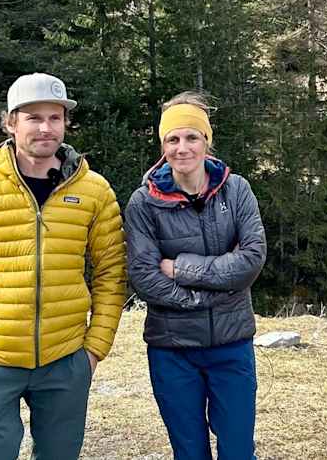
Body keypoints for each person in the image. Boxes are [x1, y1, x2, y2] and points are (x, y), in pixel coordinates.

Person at [0, 72, 126, 460]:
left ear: (65, 123)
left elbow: (112, 272)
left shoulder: (94, 191)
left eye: (54, 117)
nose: (45, 128)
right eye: (33, 118)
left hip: (66, 360)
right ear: (10, 122)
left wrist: (93, 351)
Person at [124, 92, 267, 460]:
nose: (182, 148)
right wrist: (210, 294)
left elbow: (251, 259)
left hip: (232, 345)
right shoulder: (144, 202)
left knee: (238, 451)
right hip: (173, 350)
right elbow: (144, 276)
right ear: (162, 145)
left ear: (207, 141)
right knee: (189, 452)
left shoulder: (237, 190)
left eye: (192, 137)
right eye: (172, 139)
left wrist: (179, 268)